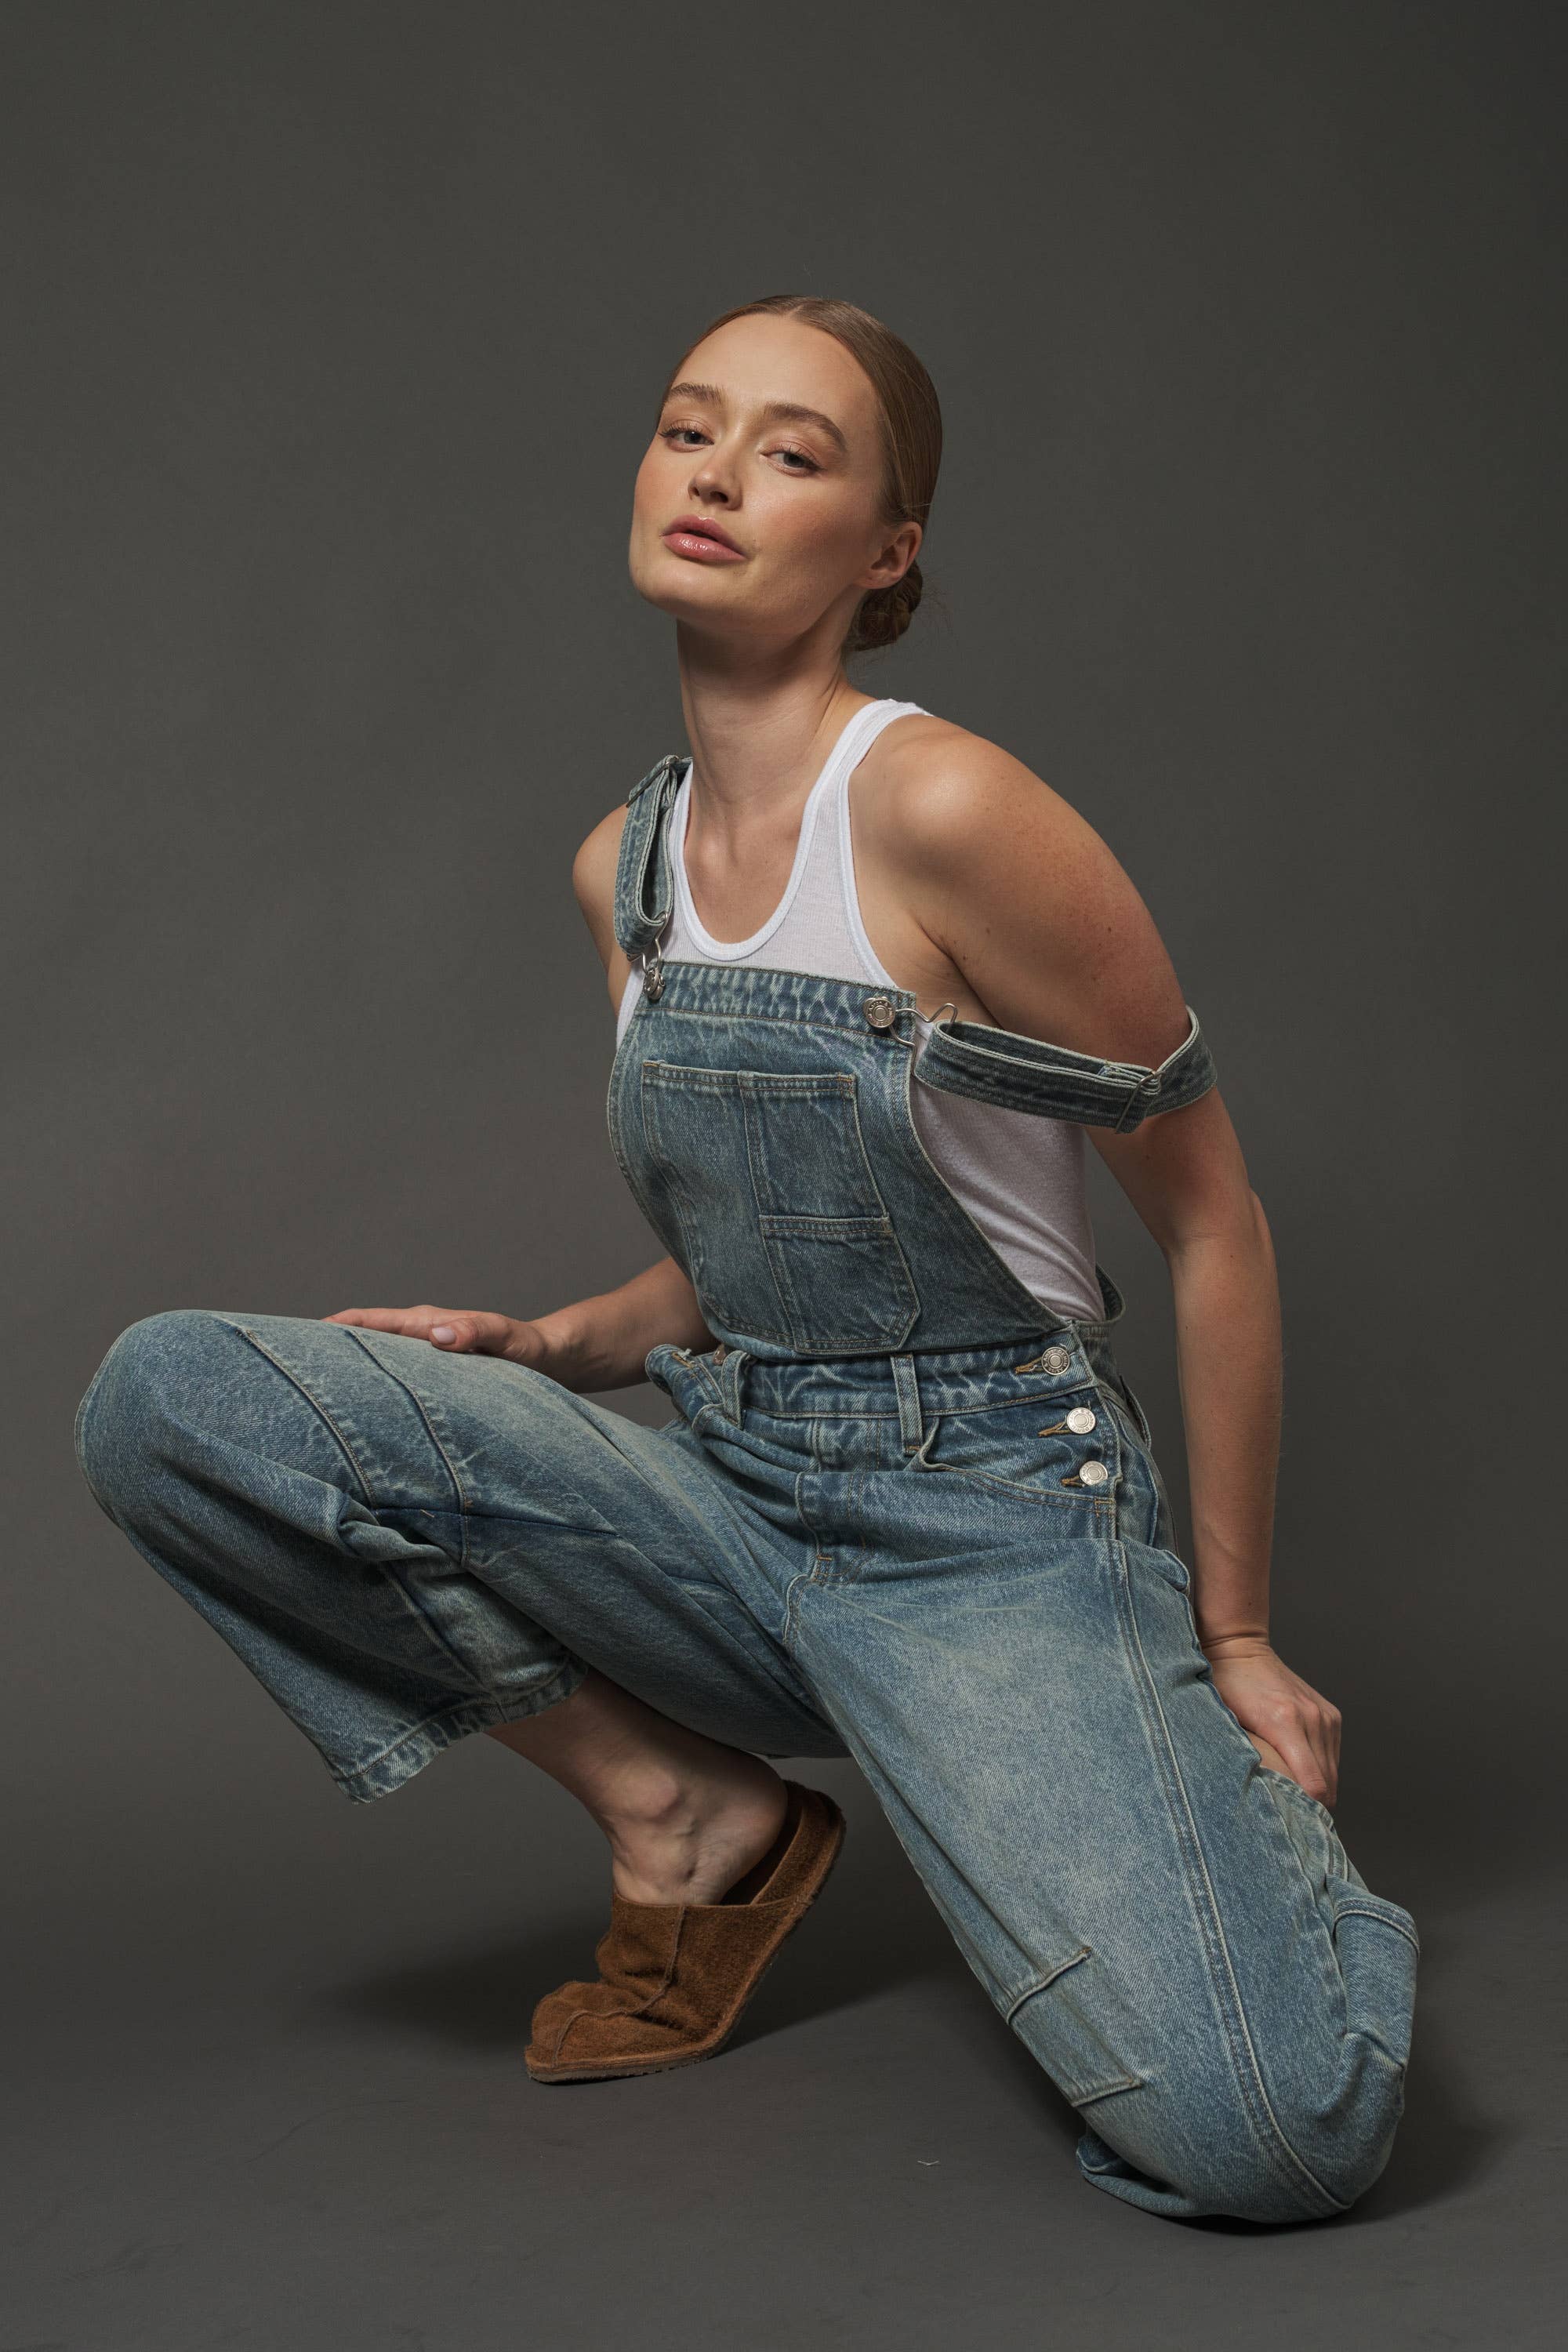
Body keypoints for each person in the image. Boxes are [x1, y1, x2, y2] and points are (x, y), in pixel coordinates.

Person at [73, 292, 1419, 2223]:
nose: (716, 472)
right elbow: (752, 1255)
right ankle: (682, 1811)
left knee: (1274, 2135)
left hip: (989, 1526)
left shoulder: (948, 810)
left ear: (886, 553)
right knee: (174, 1401)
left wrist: (1236, 1640)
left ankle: (1230, 1861)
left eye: (793, 449)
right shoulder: (620, 863)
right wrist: (552, 1346)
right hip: (737, 1479)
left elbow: (1213, 1222)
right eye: (687, 426)